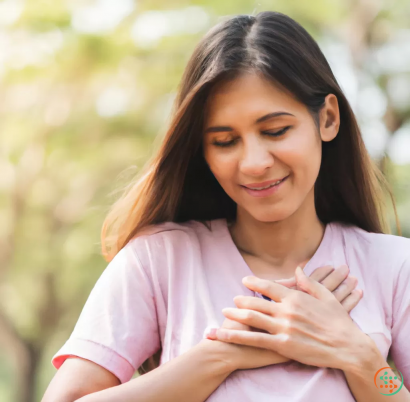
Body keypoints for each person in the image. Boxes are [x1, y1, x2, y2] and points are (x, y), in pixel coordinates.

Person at [42, 10, 410, 402]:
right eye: (224, 141)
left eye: (275, 131)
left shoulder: (394, 267)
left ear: (328, 119)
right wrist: (222, 355)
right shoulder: (157, 261)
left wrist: (361, 359)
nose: (254, 162)